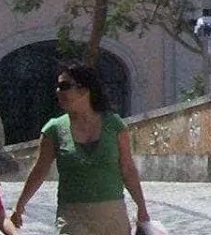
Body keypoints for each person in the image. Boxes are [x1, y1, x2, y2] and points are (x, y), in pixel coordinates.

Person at [9, 64, 151, 235]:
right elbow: (40, 169)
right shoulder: (54, 129)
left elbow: (127, 169)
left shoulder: (114, 124)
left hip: (113, 217)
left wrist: (141, 207)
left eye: (64, 86)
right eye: (58, 86)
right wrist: (20, 205)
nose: (58, 91)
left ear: (84, 90)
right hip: (72, 215)